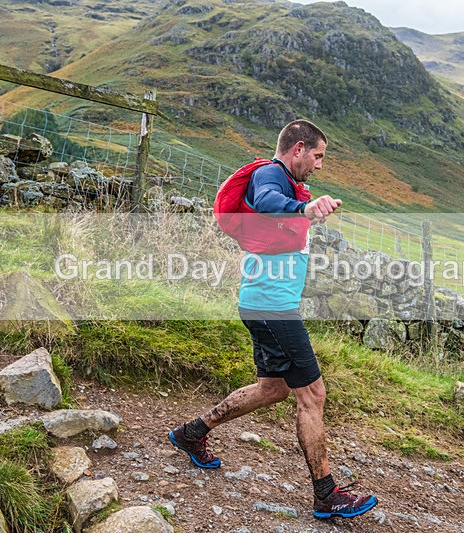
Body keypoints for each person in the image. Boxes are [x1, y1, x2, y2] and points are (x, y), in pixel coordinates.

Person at [169, 119, 378, 520]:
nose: (319, 166)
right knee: (312, 395)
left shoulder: (288, 182)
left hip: (263, 303)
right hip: (272, 308)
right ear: (298, 148)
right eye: (317, 156)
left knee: (272, 389)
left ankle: (190, 433)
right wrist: (304, 207)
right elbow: (264, 199)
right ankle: (326, 494)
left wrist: (305, 207)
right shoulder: (271, 174)